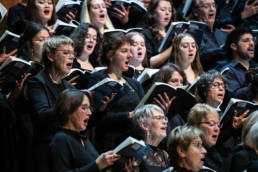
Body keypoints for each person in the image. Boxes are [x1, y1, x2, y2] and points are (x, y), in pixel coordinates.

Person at [88, 31, 144, 153]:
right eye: (124, 51)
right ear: (110, 55)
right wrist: (127, 116)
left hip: (133, 143)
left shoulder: (134, 83)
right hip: (110, 146)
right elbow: (96, 119)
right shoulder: (99, 79)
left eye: (130, 51)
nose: (130, 55)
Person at [25, 35, 75, 172]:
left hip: (67, 151)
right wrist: (71, 106)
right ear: (51, 56)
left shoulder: (70, 88)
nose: (71, 57)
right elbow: (42, 115)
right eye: (65, 53)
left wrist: (100, 107)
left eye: (72, 53)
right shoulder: (37, 82)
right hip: (46, 152)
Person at [49, 89, 120, 172]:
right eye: (84, 108)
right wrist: (97, 165)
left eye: (89, 108)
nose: (89, 112)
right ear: (68, 109)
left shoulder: (83, 139)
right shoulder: (61, 139)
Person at [186, 0, 228, 71]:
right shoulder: (193, 32)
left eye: (214, 6)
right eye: (206, 6)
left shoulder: (222, 33)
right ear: (196, 12)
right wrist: (224, 49)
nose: (211, 9)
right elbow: (199, 56)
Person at [128, 104, 170, 172]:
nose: (165, 122)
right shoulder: (135, 152)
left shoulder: (164, 154)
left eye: (164, 118)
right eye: (159, 118)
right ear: (144, 125)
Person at [187, 103, 224, 172]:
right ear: (195, 126)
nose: (217, 129)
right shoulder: (190, 155)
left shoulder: (214, 153)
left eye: (218, 125)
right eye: (211, 124)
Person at [139, 0, 175, 68]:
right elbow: (148, 63)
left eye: (170, 10)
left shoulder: (173, 33)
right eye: (163, 10)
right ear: (153, 12)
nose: (167, 13)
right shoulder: (146, 34)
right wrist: (172, 48)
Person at [221, 27, 256, 94]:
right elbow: (234, 99)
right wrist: (254, 85)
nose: (252, 43)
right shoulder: (228, 71)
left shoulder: (255, 67)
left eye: (253, 40)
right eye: (246, 40)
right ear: (234, 46)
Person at [69, 23, 102, 89]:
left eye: (94, 38)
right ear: (79, 38)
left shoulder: (97, 64)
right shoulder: (71, 63)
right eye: (87, 37)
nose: (91, 41)